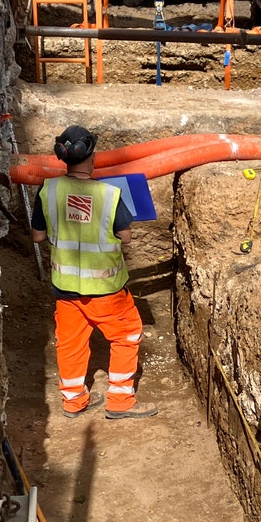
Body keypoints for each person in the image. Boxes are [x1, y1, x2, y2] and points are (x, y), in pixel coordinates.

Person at [31, 125, 159, 420]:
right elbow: (125, 237)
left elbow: (38, 237)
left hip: (65, 289)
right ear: (93, 157)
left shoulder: (48, 190)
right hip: (107, 290)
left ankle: (74, 402)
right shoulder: (110, 195)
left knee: (70, 344)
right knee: (127, 335)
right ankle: (120, 401)